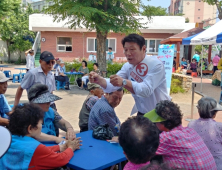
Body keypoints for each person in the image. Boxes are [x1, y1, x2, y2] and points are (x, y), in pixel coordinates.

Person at [89, 34, 170, 115]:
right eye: (125, 50)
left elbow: (146, 90)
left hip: (160, 114)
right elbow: (114, 84)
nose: (128, 53)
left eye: (132, 49)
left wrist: (124, 82)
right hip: (142, 113)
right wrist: (100, 80)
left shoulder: (156, 65)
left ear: (144, 49)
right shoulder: (128, 66)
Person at [0, 103, 82, 170]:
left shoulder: (9, 139)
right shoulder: (36, 147)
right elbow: (61, 159)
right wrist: (71, 147)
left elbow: (37, 152)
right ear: (30, 128)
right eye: (40, 123)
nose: (41, 126)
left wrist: (59, 147)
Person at [144, 100, 217, 170]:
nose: (155, 124)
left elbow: (142, 150)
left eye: (156, 122)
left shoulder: (167, 137)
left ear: (162, 123)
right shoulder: (190, 131)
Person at [188, 97, 222, 170]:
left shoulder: (191, 125)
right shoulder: (219, 126)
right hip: (217, 165)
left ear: (199, 111)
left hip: (196, 164)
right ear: (214, 113)